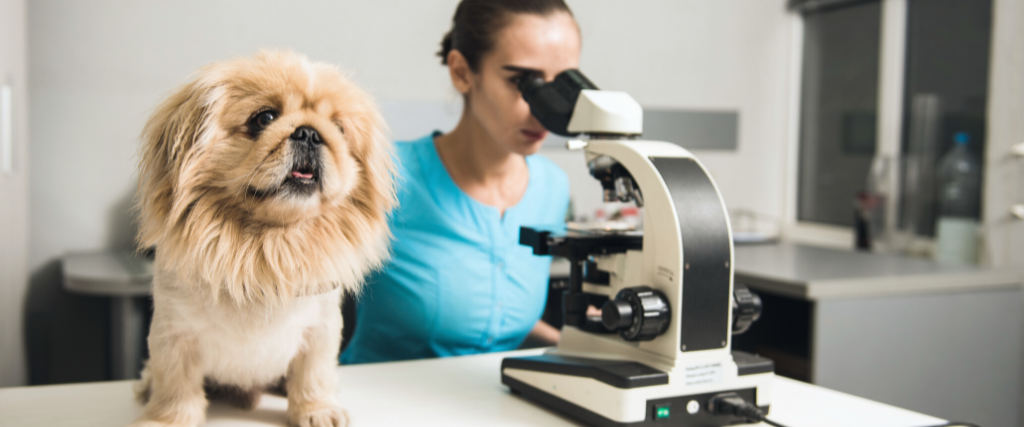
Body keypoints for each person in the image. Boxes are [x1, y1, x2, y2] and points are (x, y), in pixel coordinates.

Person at [341, 0, 578, 364]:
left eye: (561, 85)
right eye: (522, 83)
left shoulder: (552, 188)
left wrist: (577, 343)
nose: (546, 108)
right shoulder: (385, 175)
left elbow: (492, 318)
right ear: (462, 72)